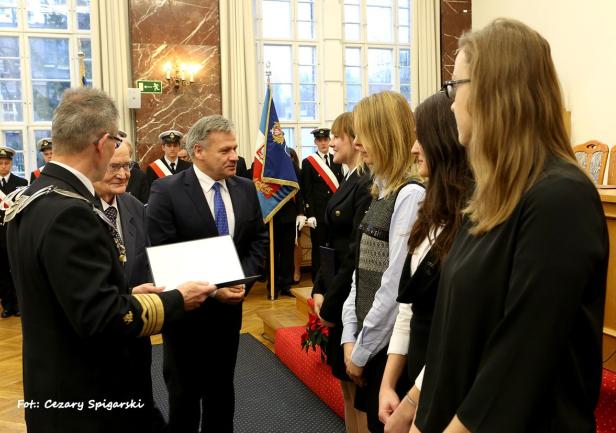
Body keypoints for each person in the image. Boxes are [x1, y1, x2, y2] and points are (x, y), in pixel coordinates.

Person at [410, 19, 608, 433]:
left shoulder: (561, 198)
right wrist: (422, 417)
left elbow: (520, 360)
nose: (451, 104)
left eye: (455, 87)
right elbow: (452, 339)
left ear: (493, 92)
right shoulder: (486, 196)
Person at [5, 88, 216, 433]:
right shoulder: (72, 213)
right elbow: (102, 319)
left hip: (52, 385)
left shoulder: (31, 198)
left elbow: (68, 297)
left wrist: (127, 293)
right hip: (90, 399)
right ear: (103, 143)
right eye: (116, 142)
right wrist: (178, 299)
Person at [147, 115, 268, 433]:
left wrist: (240, 282)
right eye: (225, 150)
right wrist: (214, 288)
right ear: (198, 151)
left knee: (221, 394)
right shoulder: (166, 190)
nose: (234, 157)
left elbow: (258, 241)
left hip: (228, 316)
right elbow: (163, 253)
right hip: (186, 317)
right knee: (184, 399)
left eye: (235, 149)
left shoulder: (245, 188)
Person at [376, 92, 472, 433]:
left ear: (444, 141)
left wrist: (413, 401)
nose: (414, 148)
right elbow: (408, 306)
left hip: (446, 386)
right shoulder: (430, 211)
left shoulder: (472, 218)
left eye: (422, 138)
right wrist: (388, 383)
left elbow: (461, 333)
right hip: (416, 375)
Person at [341, 91, 425, 433]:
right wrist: (350, 335)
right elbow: (360, 273)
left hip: (389, 350)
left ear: (385, 134)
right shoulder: (383, 190)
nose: (356, 143)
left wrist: (361, 350)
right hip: (368, 341)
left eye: (363, 134)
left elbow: (394, 287)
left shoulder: (411, 194)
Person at [311, 112, 373, 433]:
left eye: (337, 136)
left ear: (355, 139)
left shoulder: (365, 184)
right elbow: (329, 245)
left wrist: (331, 303)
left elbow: (353, 253)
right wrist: (318, 288)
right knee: (346, 391)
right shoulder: (350, 179)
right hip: (336, 289)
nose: (332, 142)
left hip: (350, 300)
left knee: (357, 395)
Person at [300, 127, 344, 281]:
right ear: (315, 142)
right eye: (320, 140)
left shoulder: (337, 160)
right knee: (319, 248)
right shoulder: (308, 162)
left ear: (329, 141)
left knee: (334, 246)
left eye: (325, 139)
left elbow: (340, 187)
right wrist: (310, 214)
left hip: (334, 213)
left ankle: (333, 278)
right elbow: (307, 190)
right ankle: (317, 281)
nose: (323, 143)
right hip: (318, 214)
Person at [0, 146, 27, 318]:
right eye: (0, 163)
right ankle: (7, 305)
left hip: (14, 233)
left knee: (16, 271)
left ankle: (18, 304)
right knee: (2, 273)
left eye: (7, 163)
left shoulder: (21, 182)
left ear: (11, 164)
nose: (3, 166)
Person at [119, 131, 150, 204]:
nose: (122, 175)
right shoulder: (98, 176)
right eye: (114, 166)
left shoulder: (139, 176)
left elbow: (144, 204)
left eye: (126, 165)